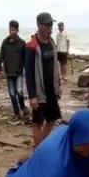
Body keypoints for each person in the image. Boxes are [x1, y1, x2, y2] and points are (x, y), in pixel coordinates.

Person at [25, 12, 62, 147]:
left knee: (52, 119)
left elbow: (55, 66)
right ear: (40, 26)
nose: (50, 27)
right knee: (38, 123)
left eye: (51, 24)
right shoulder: (32, 46)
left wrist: (58, 85)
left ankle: (41, 146)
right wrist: (32, 96)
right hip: (39, 92)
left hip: (51, 89)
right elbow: (28, 73)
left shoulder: (51, 43)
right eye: (48, 25)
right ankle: (37, 152)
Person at [0, 20, 27, 120]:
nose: (11, 31)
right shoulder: (5, 42)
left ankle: (23, 107)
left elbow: (25, 58)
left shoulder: (22, 43)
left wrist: (26, 68)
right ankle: (16, 113)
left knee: (19, 91)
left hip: (18, 72)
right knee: (12, 94)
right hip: (9, 72)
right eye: (10, 29)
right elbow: (1, 56)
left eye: (13, 29)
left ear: (17, 30)